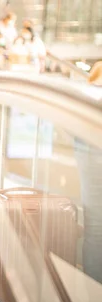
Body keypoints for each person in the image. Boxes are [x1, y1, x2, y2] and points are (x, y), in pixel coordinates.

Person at [75, 61, 102, 284]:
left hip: (88, 140)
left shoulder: (96, 74)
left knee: (95, 228)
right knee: (95, 228)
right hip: (91, 145)